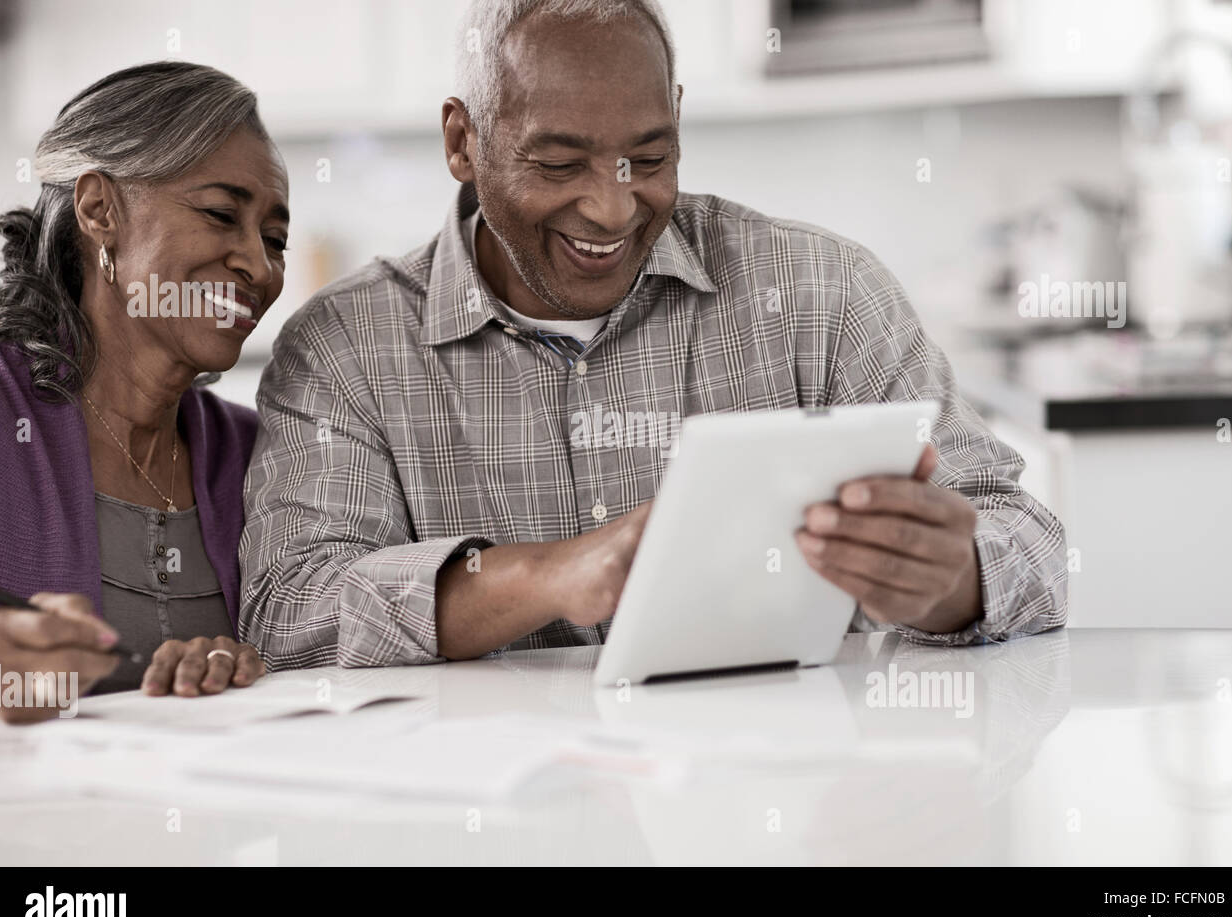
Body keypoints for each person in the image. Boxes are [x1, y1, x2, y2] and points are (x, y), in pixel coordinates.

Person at [239, 0, 1067, 669]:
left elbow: (1024, 537)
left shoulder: (823, 291)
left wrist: (954, 579)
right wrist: (542, 575)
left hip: (782, 795)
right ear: (463, 141)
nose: (611, 206)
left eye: (649, 155)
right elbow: (291, 610)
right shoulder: (345, 345)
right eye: (559, 165)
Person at [0, 61, 289, 721]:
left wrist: (243, 671)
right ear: (99, 210)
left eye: (274, 239)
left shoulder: (258, 452)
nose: (258, 267)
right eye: (219, 213)